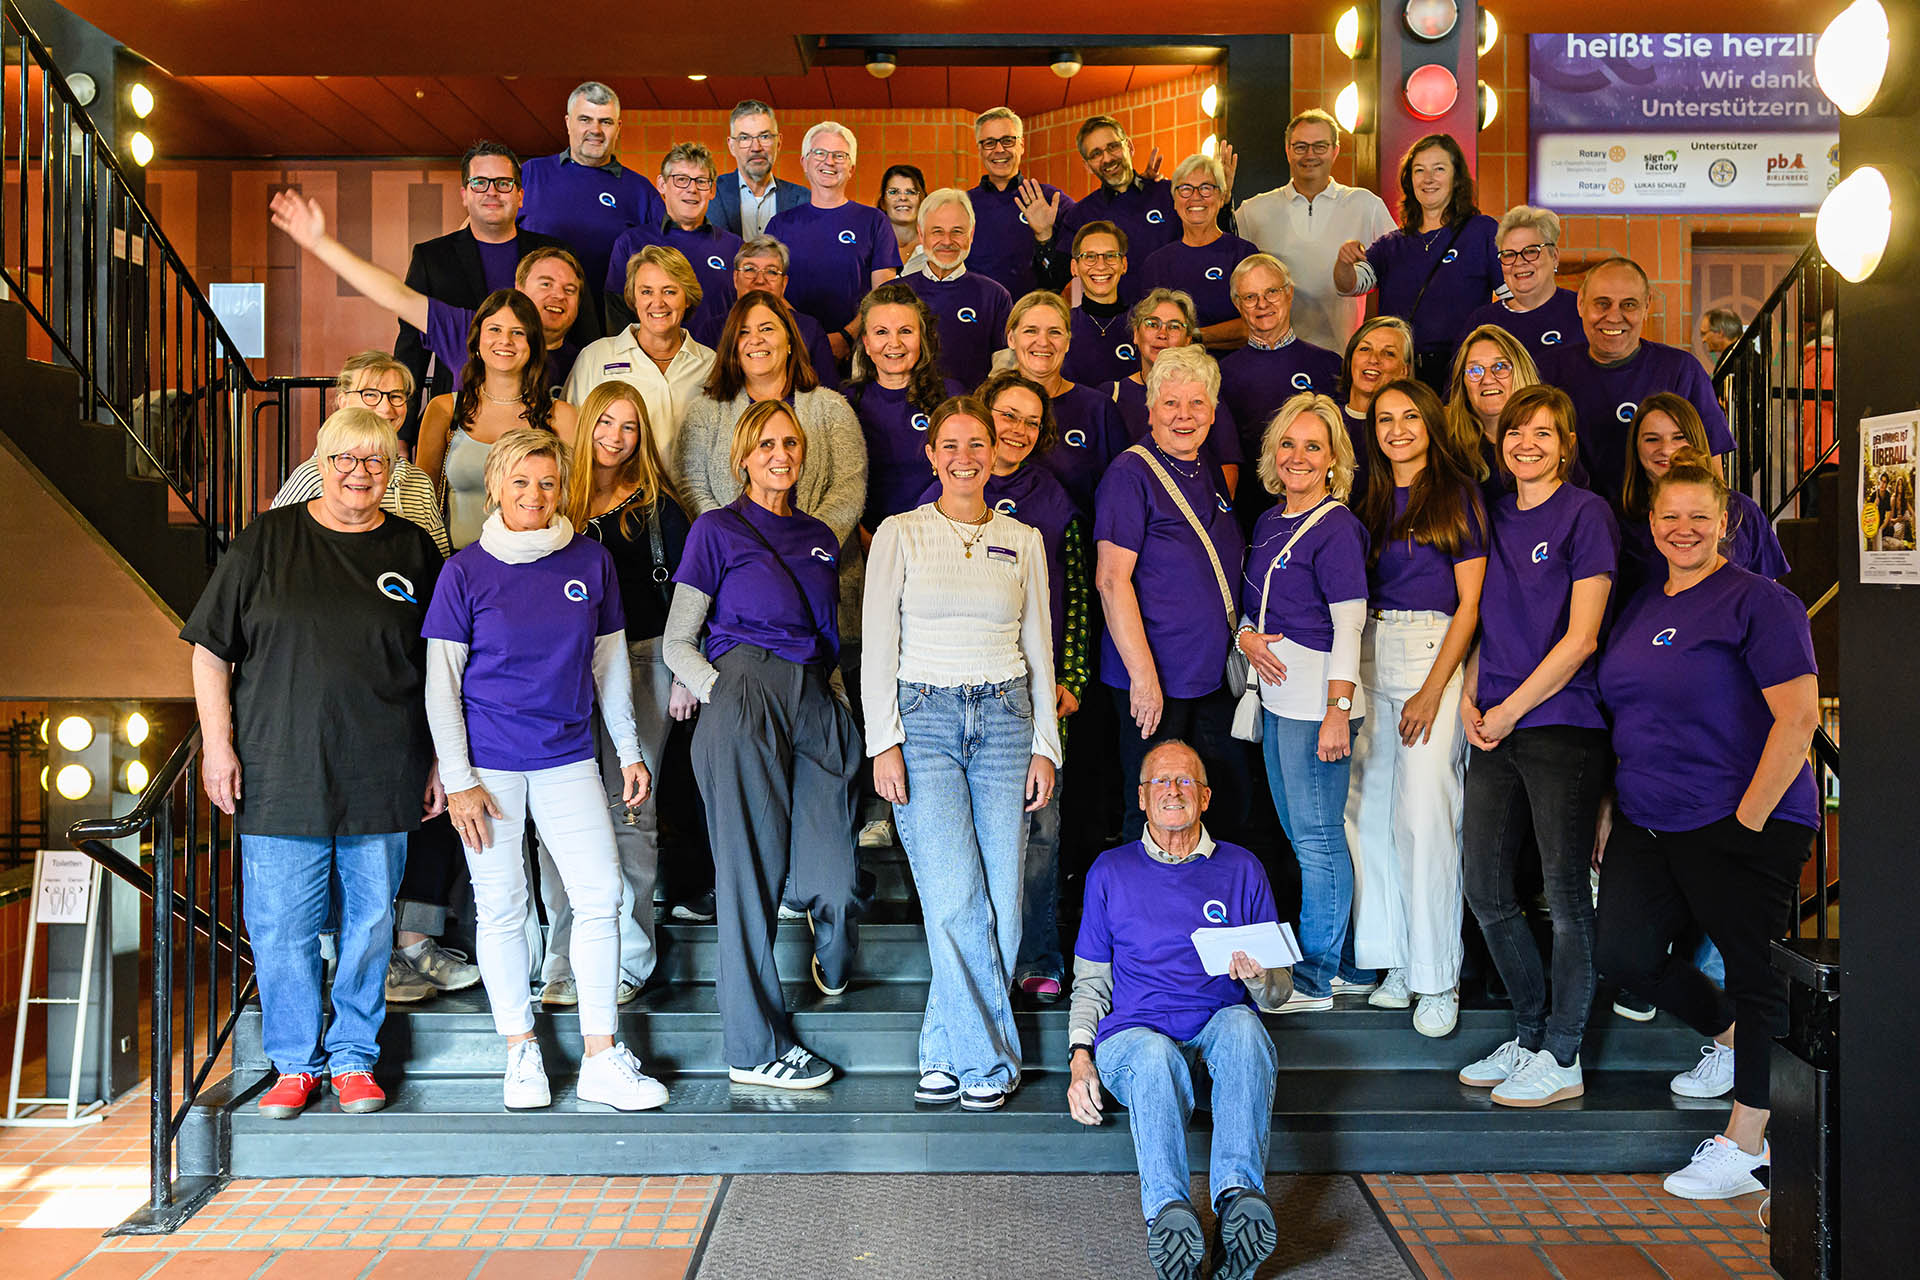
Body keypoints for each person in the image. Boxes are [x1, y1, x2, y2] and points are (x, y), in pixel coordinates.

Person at [183, 406, 444, 1120]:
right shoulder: (266, 542)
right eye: (344, 459)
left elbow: (442, 671)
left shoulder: (416, 549)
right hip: (279, 767)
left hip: (384, 768)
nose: (359, 473)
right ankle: (295, 1063)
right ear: (319, 465)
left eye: (375, 461)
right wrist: (219, 743)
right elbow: (209, 651)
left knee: (367, 927)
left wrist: (440, 763)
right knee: (281, 927)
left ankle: (355, 1059)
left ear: (393, 472)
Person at [1594, 446, 1819, 1200]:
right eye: (1670, 516)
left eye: (1700, 517)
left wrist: (1745, 823)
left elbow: (1798, 721)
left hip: (1743, 819)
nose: (1684, 529)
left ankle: (1748, 1137)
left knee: (1759, 978)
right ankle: (1726, 1039)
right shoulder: (1644, 601)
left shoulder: (1761, 602)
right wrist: (1609, 809)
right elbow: (1629, 711)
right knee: (1624, 958)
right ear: (1652, 524)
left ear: (1726, 523)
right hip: (1649, 818)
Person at [422, 427, 665, 1112]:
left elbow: (611, 665)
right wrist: (459, 777)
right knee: (501, 908)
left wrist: (629, 750)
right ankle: (520, 1051)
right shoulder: (464, 571)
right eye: (521, 482)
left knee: (600, 897)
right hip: (489, 770)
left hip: (567, 759)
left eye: (548, 483)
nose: (534, 495)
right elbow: (442, 683)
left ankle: (599, 1056)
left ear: (564, 490)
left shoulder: (590, 561)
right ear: (495, 485)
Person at [864, 396, 1059, 1110]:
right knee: (953, 897)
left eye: (977, 444)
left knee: (1003, 902)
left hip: (1007, 719)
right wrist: (882, 740)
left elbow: (1038, 645)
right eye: (950, 444)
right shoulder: (900, 533)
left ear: (995, 451)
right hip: (926, 722)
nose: (965, 457)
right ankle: (987, 1064)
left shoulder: (1024, 539)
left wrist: (1046, 745)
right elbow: (877, 644)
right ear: (932, 455)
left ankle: (943, 1052)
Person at [663, 398, 864, 1088]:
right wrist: (723, 693)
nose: (782, 455)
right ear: (743, 457)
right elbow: (676, 641)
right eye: (767, 444)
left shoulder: (820, 537)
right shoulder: (716, 530)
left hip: (814, 694)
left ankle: (832, 954)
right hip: (742, 691)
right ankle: (753, 1049)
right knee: (749, 880)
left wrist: (832, 702)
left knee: (833, 876)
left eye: (791, 443)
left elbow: (825, 635)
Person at [1067, 739, 1289, 1280]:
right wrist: (1079, 1059)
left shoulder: (1243, 869)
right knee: (1151, 1053)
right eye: (1160, 782)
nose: (1173, 790)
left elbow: (1279, 992)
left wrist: (1261, 978)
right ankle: (1170, 1219)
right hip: (1134, 1035)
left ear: (1205, 797)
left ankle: (1238, 1205)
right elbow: (1090, 981)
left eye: (1185, 781)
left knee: (1243, 1025)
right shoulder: (1109, 871)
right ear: (1141, 798)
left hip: (1216, 1026)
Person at [1456, 385, 1616, 1108]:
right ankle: (1528, 1033)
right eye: (1517, 432)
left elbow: (1582, 638)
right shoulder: (1490, 511)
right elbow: (1478, 614)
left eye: (1544, 434)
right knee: (1485, 887)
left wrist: (1512, 707)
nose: (1527, 443)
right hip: (1494, 717)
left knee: (1563, 894)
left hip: (1561, 722)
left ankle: (1564, 1051)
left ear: (1566, 444)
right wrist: (1467, 693)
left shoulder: (1587, 514)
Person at [534, 382, 692, 1008]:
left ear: (641, 437)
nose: (614, 437)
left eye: (628, 427)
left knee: (631, 809)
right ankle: (565, 959)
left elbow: (689, 597)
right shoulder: (555, 502)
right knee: (559, 815)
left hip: (644, 657)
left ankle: (629, 957)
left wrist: (684, 668)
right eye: (605, 422)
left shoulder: (659, 508)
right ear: (586, 426)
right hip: (566, 668)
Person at [938, 372, 1091, 1005]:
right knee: (969, 833)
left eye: (1031, 421)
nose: (1017, 430)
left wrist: (1073, 681)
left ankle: (1035, 954)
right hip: (956, 691)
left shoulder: (1055, 502)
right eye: (1007, 415)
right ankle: (970, 959)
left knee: (1041, 828)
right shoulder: (945, 493)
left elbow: (1078, 595)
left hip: (1038, 692)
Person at [1344, 379, 1487, 1035]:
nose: (1396, 428)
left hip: (1434, 649)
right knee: (1366, 814)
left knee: (1425, 814)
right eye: (1384, 418)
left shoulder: (1457, 493)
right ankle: (1395, 961)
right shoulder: (1365, 495)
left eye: (1409, 416)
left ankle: (1437, 977)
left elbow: (1472, 604)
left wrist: (1436, 687)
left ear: (1430, 422)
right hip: (1369, 649)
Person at [1236, 392, 1371, 1012]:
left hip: (1319, 699)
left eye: (1312, 446)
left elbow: (1350, 625)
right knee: (1300, 836)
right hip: (1277, 699)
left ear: (1332, 459)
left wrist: (1338, 711)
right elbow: (1247, 606)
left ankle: (1314, 979)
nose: (1297, 456)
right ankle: (1343, 962)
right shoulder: (1267, 522)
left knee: (1317, 841)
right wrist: (1243, 636)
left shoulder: (1338, 526)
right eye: (1287, 443)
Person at [1094, 346, 1251, 844]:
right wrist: (1143, 679)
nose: (1184, 416)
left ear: (1213, 410)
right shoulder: (1130, 473)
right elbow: (1111, 581)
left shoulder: (1204, 468)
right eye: (1171, 404)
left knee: (1217, 804)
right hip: (1155, 684)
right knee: (1153, 810)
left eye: (1196, 404)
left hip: (1209, 680)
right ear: (1150, 409)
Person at [269, 191, 586, 403]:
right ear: (519, 287)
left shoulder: (587, 360)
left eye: (569, 290)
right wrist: (320, 243)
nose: (557, 295)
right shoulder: (473, 331)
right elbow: (395, 296)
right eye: (545, 284)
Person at [391, 141, 586, 439]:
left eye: (504, 183)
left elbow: (583, 333)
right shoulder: (432, 257)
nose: (492, 191)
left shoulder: (554, 254)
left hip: (542, 411)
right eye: (480, 183)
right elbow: (410, 349)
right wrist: (402, 434)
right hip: (458, 413)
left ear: (520, 196)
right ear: (465, 195)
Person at [673, 291, 866, 549]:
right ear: (733, 346)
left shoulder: (832, 407)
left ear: (789, 341)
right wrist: (736, 543)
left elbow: (848, 489)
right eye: (743, 332)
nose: (756, 340)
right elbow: (692, 488)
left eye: (767, 329)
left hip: (820, 563)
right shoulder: (705, 412)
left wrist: (805, 545)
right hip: (733, 563)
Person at [1536, 256, 1735, 504]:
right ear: (1580, 304)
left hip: (1663, 527)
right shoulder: (1548, 372)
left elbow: (1712, 471)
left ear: (1646, 306)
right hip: (1576, 527)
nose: (1614, 316)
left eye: (1628, 305)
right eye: (1602, 304)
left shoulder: (1682, 371)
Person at [1333, 134, 1500, 389]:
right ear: (1410, 181)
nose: (1428, 178)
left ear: (1456, 179)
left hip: (1463, 376)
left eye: (1439, 169)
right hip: (1402, 376)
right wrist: (1343, 263)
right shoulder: (1391, 244)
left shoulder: (1483, 232)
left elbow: (1512, 298)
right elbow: (1350, 286)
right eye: (1419, 170)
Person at [415, 291, 578, 551]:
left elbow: (574, 503)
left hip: (538, 563)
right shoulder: (444, 410)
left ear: (534, 344)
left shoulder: (562, 416)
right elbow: (421, 502)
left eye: (518, 332)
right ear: (478, 339)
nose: (505, 340)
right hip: (455, 563)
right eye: (494, 329)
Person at [1234, 108, 1396, 353]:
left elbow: (1397, 269)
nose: (1310, 155)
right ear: (1287, 151)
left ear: (1335, 150)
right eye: (1300, 147)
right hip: (1272, 355)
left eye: (1320, 146)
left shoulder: (1366, 205)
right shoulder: (1252, 211)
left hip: (1341, 356)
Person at [270, 353, 450, 558]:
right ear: (343, 401)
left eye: (396, 396)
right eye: (370, 394)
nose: (386, 407)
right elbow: (272, 549)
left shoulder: (418, 482)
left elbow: (438, 562)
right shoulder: (312, 477)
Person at [1618, 393, 1788, 596]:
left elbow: (1771, 594)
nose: (1666, 449)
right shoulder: (1615, 519)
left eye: (1679, 437)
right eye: (1652, 439)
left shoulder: (1742, 510)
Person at [565, 244, 718, 466]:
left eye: (669, 291)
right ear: (633, 298)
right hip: (615, 496)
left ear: (687, 298)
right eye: (646, 291)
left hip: (692, 499)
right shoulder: (595, 358)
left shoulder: (710, 364)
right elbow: (571, 440)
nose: (657, 302)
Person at [518, 83, 667, 309]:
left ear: (618, 127)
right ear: (568, 123)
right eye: (585, 120)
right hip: (537, 321)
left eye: (605, 122)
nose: (595, 130)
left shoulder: (640, 190)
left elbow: (663, 264)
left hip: (610, 325)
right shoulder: (531, 174)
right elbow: (485, 232)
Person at [1217, 254, 1343, 516]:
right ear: (1237, 304)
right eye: (1250, 297)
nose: (1262, 304)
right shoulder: (1221, 374)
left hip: (1318, 507)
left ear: (1289, 293)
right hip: (1249, 511)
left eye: (1271, 292)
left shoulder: (1329, 364)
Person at [766, 121, 901, 361]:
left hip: (859, 352)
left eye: (839, 155)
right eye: (819, 153)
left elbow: (884, 292)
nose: (829, 161)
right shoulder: (779, 225)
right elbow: (768, 289)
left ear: (851, 168)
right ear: (804, 163)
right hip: (793, 349)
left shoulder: (874, 221)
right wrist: (805, 335)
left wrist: (847, 337)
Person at [1039, 115, 1209, 300]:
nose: (1107, 159)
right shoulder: (1080, 215)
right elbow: (1057, 281)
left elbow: (1208, 247)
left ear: (1129, 146)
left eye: (1113, 146)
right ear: (1087, 166)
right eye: (1096, 154)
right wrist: (1045, 236)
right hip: (1112, 325)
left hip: (1173, 320)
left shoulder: (1169, 194)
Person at [845, 283, 966, 536]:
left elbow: (966, 474)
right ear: (866, 343)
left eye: (905, 331)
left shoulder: (951, 397)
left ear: (921, 337)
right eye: (881, 332)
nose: (894, 343)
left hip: (939, 537)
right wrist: (863, 539)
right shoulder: (845, 401)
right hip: (865, 542)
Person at [1005, 289, 1128, 518]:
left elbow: (1121, 495)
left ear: (1068, 342)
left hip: (1078, 546)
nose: (1043, 342)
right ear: (1011, 338)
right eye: (1031, 331)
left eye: (1055, 332)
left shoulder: (1098, 409)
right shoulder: (985, 407)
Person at [1107, 289, 1243, 491]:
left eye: (1174, 327)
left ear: (1188, 339)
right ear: (1136, 334)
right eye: (1152, 324)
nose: (1162, 334)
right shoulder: (1111, 395)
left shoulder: (1205, 393)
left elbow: (1227, 466)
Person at [602, 144, 742, 338]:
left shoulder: (735, 248)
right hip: (647, 364)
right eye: (681, 180)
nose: (692, 189)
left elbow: (744, 314)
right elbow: (617, 316)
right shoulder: (631, 243)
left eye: (701, 181)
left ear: (712, 190)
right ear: (661, 184)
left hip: (717, 363)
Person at [1138, 153, 1259, 349]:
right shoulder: (1156, 264)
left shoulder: (1243, 255)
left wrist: (1189, 336)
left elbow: (1254, 326)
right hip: (1173, 376)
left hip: (1234, 374)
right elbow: (1148, 334)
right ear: (1175, 201)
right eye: (1185, 189)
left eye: (1206, 188)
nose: (1196, 197)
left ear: (1221, 197)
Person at [898, 188, 1014, 387]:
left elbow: (1005, 373)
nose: (947, 241)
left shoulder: (995, 297)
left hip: (970, 412)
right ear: (921, 233)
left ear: (971, 234)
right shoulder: (893, 293)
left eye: (957, 232)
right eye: (937, 231)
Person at [687, 237, 838, 380]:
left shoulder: (809, 329)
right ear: (735, 278)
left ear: (784, 284)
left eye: (771, 272)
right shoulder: (711, 330)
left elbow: (828, 394)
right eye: (750, 270)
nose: (760, 280)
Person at [964, 107, 1069, 300]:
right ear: (979, 150)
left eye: (1007, 140)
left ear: (1021, 145)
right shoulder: (962, 204)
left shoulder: (1049, 198)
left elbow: (1089, 244)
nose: (999, 149)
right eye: (989, 143)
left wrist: (1045, 237)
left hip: (1036, 319)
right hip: (977, 315)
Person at [1456, 206, 1580, 358]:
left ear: (1554, 256)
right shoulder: (1481, 321)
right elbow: (1458, 379)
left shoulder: (1582, 311)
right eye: (1509, 254)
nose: (1519, 262)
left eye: (1530, 251)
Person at [1442, 323, 1543, 494]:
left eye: (1500, 367)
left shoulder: (1551, 436)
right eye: (1475, 370)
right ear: (1463, 384)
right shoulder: (1446, 444)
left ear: (1521, 371)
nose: (1487, 379)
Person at [1336, 316, 1415, 501]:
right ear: (1350, 360)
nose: (1373, 359)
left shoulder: (1412, 431)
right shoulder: (1324, 422)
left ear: (1404, 371)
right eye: (1365, 349)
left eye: (1388, 353)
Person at [711, 100, 808, 240]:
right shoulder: (711, 194)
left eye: (764, 137)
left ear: (778, 142)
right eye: (745, 138)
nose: (756, 147)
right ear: (731, 146)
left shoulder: (803, 200)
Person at [1062, 222, 1135, 388]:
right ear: (1075, 268)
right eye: (1089, 257)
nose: (1101, 265)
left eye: (1110, 256)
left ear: (1124, 265)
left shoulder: (1145, 327)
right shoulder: (1061, 327)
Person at [879, 163, 927, 274]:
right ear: (883, 202)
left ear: (922, 200)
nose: (903, 197)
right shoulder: (870, 246)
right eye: (893, 192)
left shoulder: (934, 246)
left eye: (911, 192)